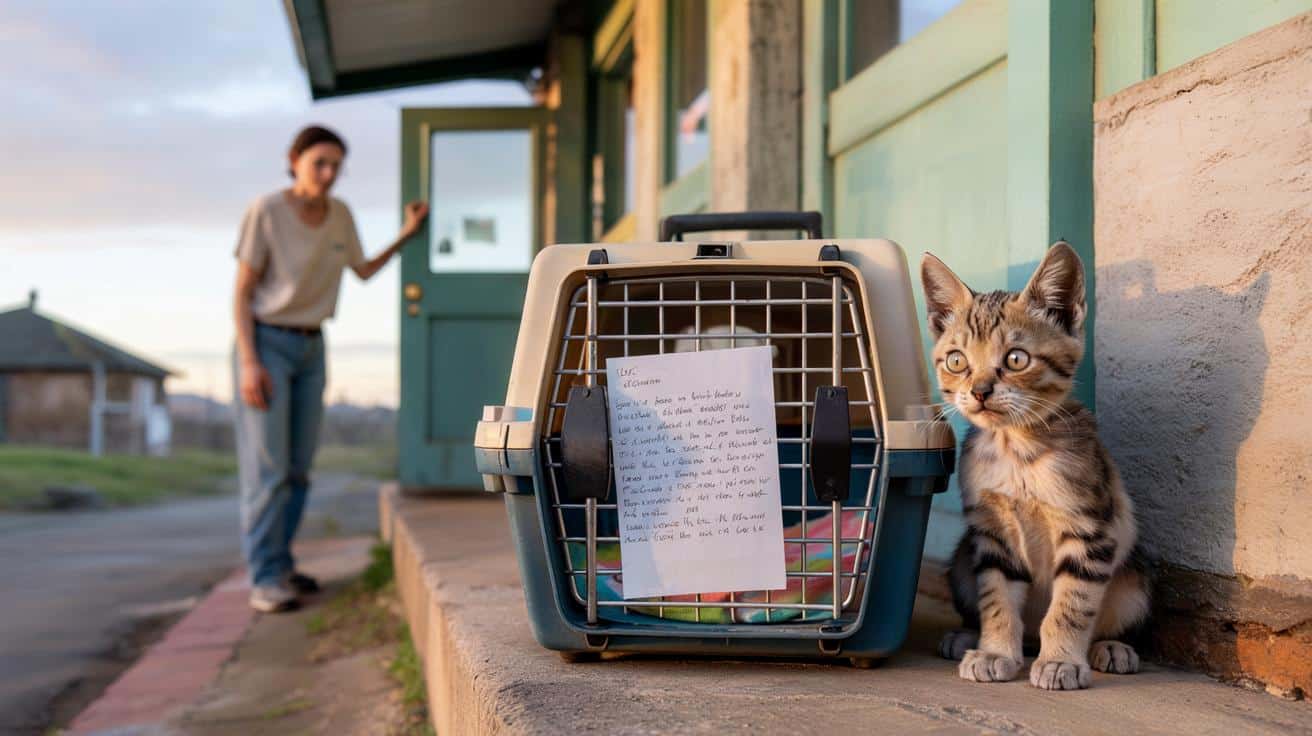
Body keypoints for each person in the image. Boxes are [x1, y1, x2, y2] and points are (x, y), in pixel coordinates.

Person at [232, 125, 428, 612]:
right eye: (319, 162)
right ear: (294, 160)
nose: (328, 173)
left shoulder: (340, 215)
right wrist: (250, 361)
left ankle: (280, 565)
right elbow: (240, 293)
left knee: (299, 470)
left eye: (336, 165)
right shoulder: (267, 211)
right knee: (269, 471)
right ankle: (264, 578)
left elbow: (361, 270)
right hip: (266, 343)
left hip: (311, 347)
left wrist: (406, 234)